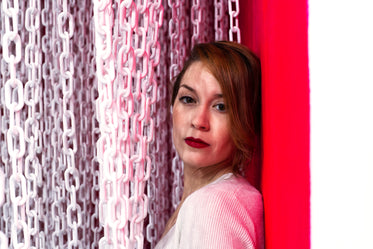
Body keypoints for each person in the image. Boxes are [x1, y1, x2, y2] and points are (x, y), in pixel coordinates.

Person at [155, 41, 264, 249]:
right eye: (188, 99)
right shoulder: (214, 199)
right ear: (172, 105)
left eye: (221, 107)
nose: (199, 121)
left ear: (245, 121)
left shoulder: (211, 206)